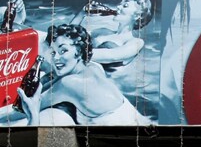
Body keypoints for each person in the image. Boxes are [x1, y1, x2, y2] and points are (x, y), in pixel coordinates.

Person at [12, 24, 151, 126]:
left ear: (78, 52)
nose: (56, 58)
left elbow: (27, 106)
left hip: (126, 131)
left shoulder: (71, 84)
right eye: (53, 53)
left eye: (63, 51)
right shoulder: (94, 66)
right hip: (139, 122)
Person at [87, 0, 153, 71]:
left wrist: (75, 53)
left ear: (138, 16)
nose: (118, 7)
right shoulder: (102, 31)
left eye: (125, 5)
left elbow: (113, 56)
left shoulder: (136, 42)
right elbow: (70, 36)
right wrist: (82, 14)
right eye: (120, 4)